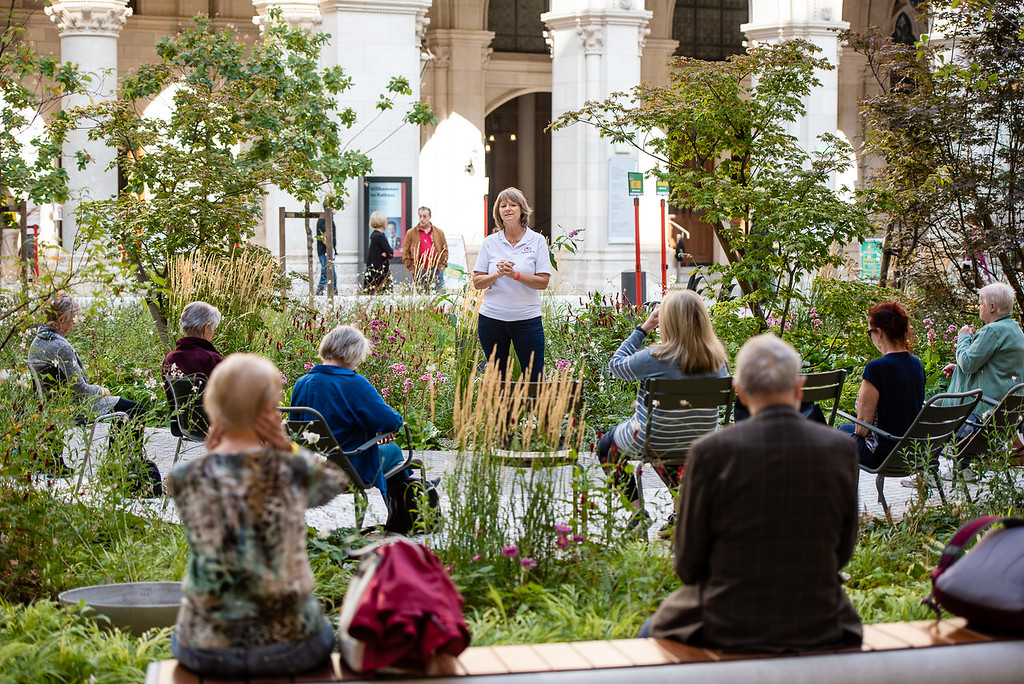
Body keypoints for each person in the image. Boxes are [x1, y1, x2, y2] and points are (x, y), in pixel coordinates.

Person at [642, 334, 862, 653]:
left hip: (725, 622)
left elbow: (688, 564)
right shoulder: (840, 449)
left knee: (648, 633)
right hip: (819, 621)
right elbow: (842, 553)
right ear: (799, 388)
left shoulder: (710, 452)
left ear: (740, 393)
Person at [168, 353, 347, 678]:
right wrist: (285, 445)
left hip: (206, 645)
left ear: (213, 408)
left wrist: (214, 452)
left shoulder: (183, 477)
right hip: (291, 642)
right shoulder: (291, 469)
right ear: (269, 411)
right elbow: (336, 482)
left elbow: (225, 483)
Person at [597, 289, 728, 533]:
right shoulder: (718, 359)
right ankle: (679, 516)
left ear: (667, 321)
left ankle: (639, 513)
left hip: (655, 439)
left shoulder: (655, 357)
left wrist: (642, 329)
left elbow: (616, 366)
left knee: (607, 446)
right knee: (674, 438)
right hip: (702, 440)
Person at [290, 325, 419, 533]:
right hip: (348, 468)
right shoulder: (353, 383)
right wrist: (378, 429)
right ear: (354, 353)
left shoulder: (302, 383)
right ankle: (407, 511)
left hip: (308, 469)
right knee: (394, 451)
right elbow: (391, 421)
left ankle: (407, 506)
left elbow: (298, 427)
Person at [28, 293, 161, 493]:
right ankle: (120, 468)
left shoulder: (37, 342)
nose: (73, 325)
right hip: (76, 406)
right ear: (61, 319)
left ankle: (113, 465)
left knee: (126, 409)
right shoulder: (61, 346)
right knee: (135, 409)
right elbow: (81, 389)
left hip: (52, 405)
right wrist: (102, 390)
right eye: (72, 320)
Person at [472, 187, 552, 381]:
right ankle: (504, 413)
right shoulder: (490, 242)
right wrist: (497, 274)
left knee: (534, 377)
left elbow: (543, 282)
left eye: (513, 205)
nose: (508, 209)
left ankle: (532, 412)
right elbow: (477, 282)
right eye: (503, 205)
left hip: (527, 320)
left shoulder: (537, 241)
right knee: (499, 379)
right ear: (498, 211)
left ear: (522, 210)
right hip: (492, 320)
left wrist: (515, 275)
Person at [838, 301, 925, 469]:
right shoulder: (916, 364)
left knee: (835, 436)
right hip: (910, 451)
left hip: (882, 453)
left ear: (879, 333)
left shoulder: (876, 368)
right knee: (843, 428)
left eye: (869, 332)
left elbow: (862, 429)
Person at [402, 206, 448, 292]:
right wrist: (412, 268)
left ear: (429, 217)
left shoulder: (439, 232)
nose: (422, 219)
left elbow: (444, 250)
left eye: (424, 216)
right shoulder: (411, 233)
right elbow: (405, 252)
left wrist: (441, 266)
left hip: (436, 270)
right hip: (419, 270)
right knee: (423, 298)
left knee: (441, 295)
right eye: (420, 216)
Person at [364, 210, 394, 294]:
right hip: (380, 270)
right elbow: (390, 252)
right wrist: (387, 254)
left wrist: (386, 254)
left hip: (374, 269)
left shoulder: (374, 235)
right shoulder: (380, 236)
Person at [315, 209, 337, 295]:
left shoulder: (326, 218)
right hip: (325, 251)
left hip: (325, 251)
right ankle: (320, 291)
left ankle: (334, 291)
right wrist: (330, 248)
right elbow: (324, 235)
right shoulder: (325, 219)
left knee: (331, 272)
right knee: (326, 270)